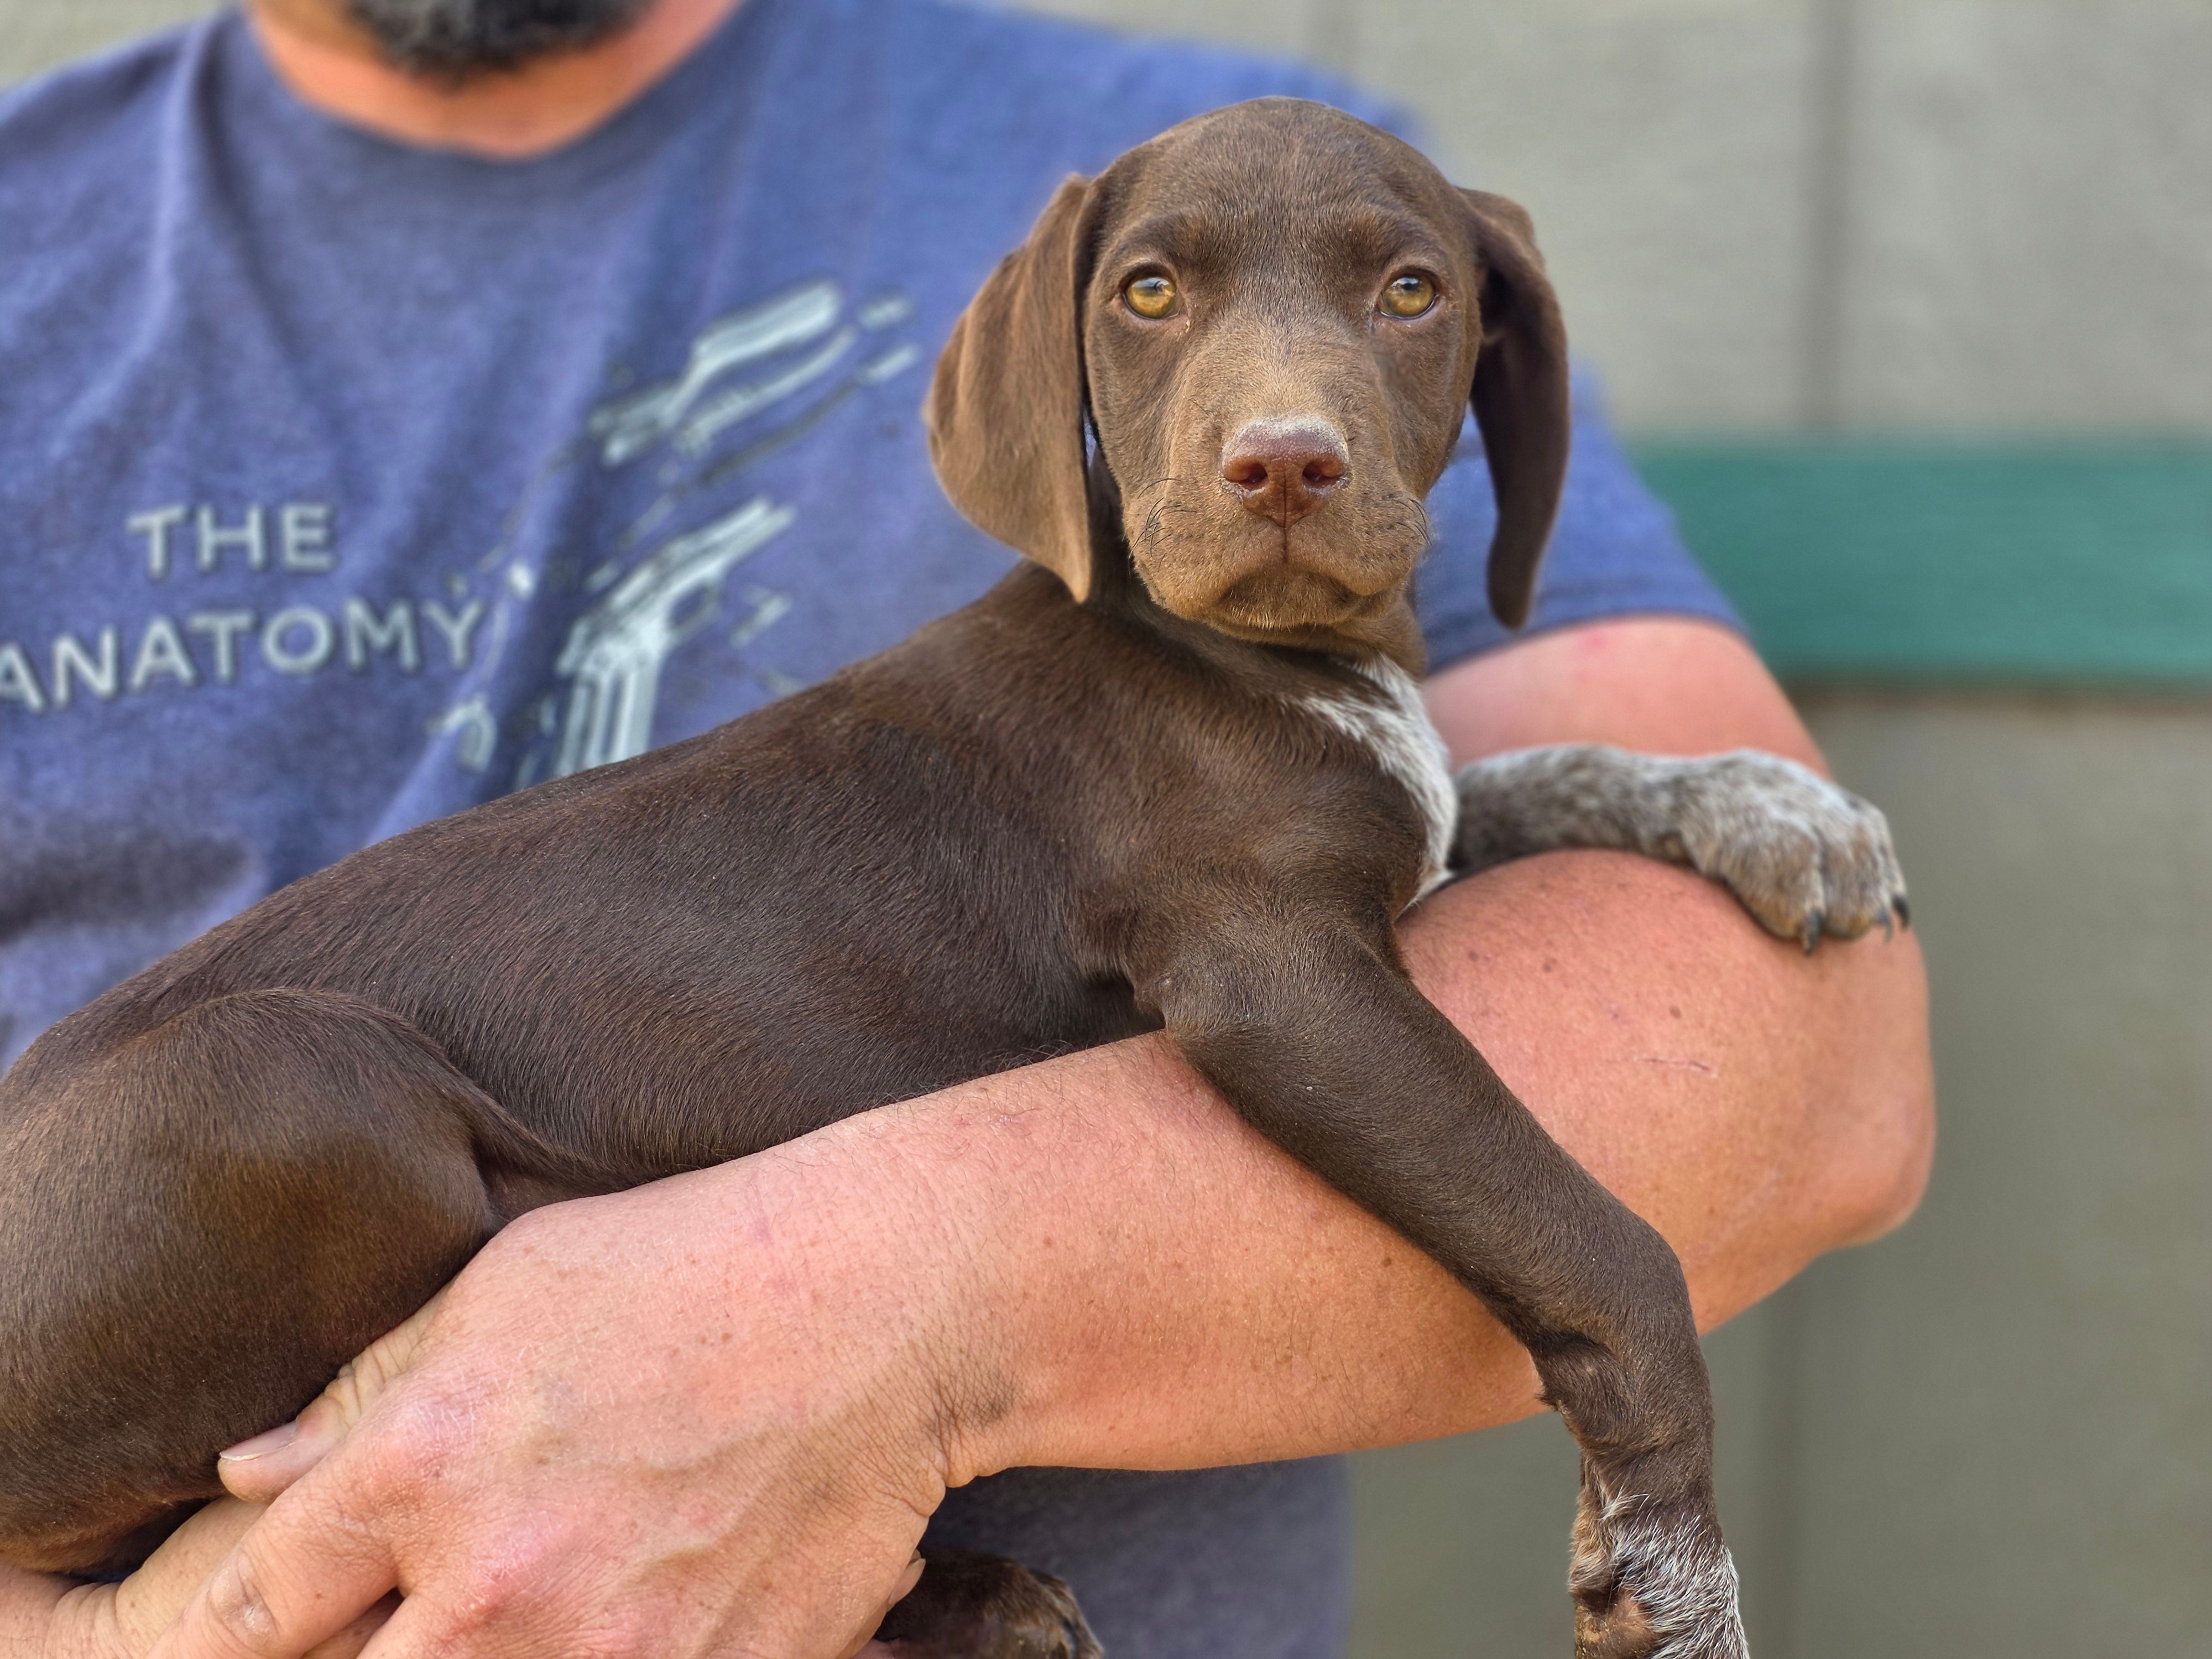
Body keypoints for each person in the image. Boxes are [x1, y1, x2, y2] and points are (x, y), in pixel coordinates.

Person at [0, 0, 1934, 1652]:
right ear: (1062, 405)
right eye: (1165, 300)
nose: (1280, 417)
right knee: (299, 1109)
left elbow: (1821, 1061)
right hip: (159, 1261)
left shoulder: (1175, 163)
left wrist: (846, 1319)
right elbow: (1277, 965)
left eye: (1400, 296)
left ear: (1491, 381)